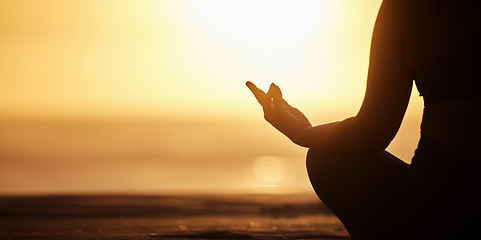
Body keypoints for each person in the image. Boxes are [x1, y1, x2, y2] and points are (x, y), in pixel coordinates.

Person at [247, 0, 480, 239]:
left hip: (441, 205)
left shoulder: (406, 7)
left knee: (324, 159)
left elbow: (372, 132)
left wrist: (301, 132)